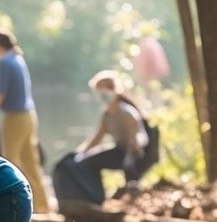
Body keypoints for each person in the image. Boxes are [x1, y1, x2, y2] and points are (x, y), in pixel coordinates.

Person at [0, 26, 50, 213]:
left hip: (15, 117)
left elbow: (1, 93)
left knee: (10, 161)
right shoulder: (18, 59)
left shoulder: (5, 62)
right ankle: (43, 205)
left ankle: (16, 206)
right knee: (30, 161)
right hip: (29, 116)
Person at [54, 71, 150, 206]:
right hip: (119, 151)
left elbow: (136, 137)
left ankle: (132, 197)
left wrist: (134, 146)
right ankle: (97, 197)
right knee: (89, 161)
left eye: (104, 90)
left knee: (129, 165)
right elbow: (97, 138)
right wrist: (79, 154)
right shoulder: (106, 114)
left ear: (113, 90)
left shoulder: (126, 112)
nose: (101, 95)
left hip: (134, 153)